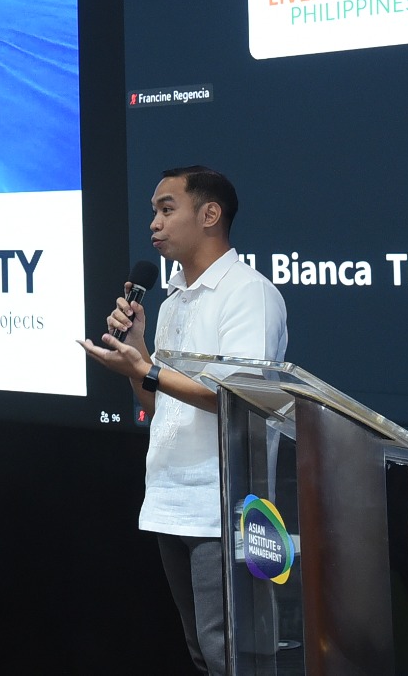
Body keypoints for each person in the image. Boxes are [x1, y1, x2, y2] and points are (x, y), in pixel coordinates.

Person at [80, 166, 287, 676]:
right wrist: (138, 351)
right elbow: (159, 405)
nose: (154, 222)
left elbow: (238, 398)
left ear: (210, 214)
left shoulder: (248, 293)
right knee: (203, 652)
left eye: (167, 209)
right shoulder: (172, 300)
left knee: (233, 655)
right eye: (154, 211)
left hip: (225, 505)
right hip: (171, 500)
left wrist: (146, 370)